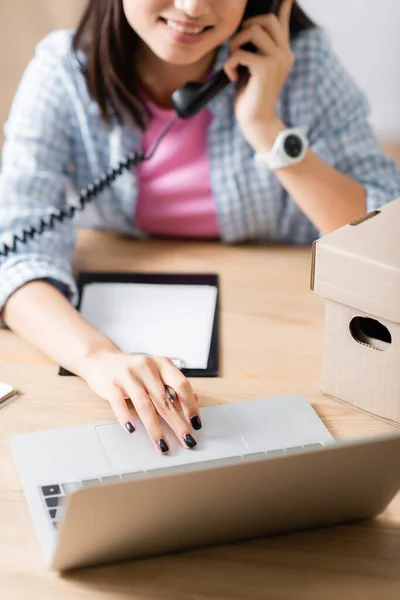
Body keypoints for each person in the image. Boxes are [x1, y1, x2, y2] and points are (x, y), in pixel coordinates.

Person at [0, 0, 399, 453]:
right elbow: (13, 255)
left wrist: (265, 126)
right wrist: (98, 359)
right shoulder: (63, 72)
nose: (191, 7)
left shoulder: (303, 63)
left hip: (277, 331)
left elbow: (385, 234)